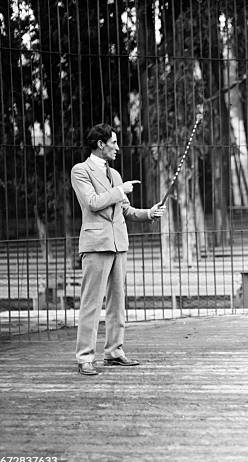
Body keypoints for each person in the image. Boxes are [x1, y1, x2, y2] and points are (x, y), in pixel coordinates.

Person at [71, 123, 166, 376]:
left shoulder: (114, 174)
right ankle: (85, 357)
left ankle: (114, 352)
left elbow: (126, 211)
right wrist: (119, 190)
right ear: (100, 144)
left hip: (118, 245)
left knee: (117, 302)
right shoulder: (81, 171)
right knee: (91, 303)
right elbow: (92, 203)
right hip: (96, 246)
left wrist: (149, 213)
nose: (117, 147)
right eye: (113, 142)